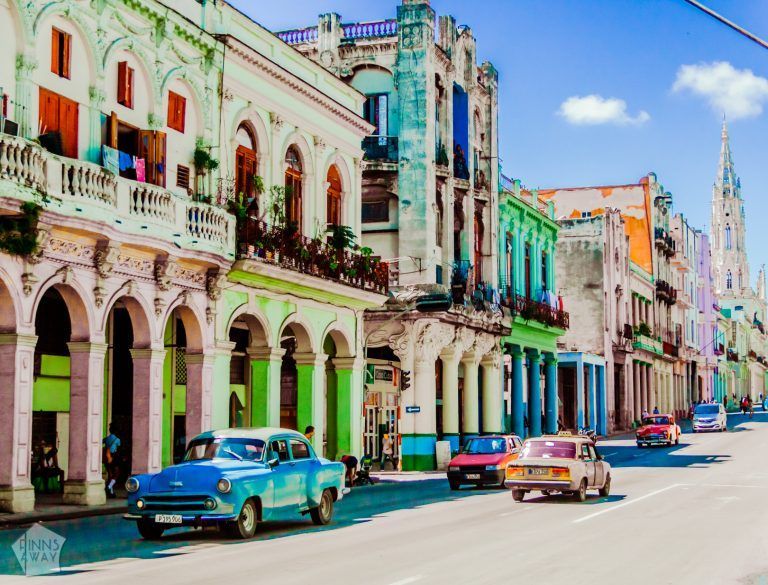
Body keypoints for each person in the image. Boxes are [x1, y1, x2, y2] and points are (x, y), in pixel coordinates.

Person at [102, 424, 122, 499]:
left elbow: (101, 442)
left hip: (107, 457)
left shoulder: (106, 439)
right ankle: (109, 487)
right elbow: (118, 449)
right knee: (116, 473)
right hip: (114, 457)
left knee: (110, 474)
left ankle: (111, 492)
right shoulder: (117, 440)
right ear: (116, 431)